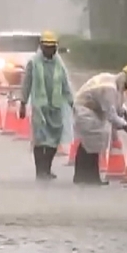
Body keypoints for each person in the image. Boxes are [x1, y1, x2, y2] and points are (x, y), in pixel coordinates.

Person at [72, 64, 127, 185]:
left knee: (92, 143)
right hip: (85, 110)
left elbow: (120, 108)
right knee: (91, 143)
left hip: (92, 111)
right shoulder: (110, 88)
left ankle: (84, 176)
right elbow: (112, 115)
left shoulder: (115, 84)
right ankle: (88, 177)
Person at [19, 31, 74, 180]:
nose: (50, 50)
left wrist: (72, 102)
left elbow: (65, 84)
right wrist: (23, 103)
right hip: (40, 107)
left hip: (56, 107)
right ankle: (40, 170)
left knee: (54, 140)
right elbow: (27, 84)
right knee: (40, 139)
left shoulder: (59, 63)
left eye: (52, 47)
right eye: (47, 47)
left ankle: (47, 168)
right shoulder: (34, 63)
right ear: (41, 47)